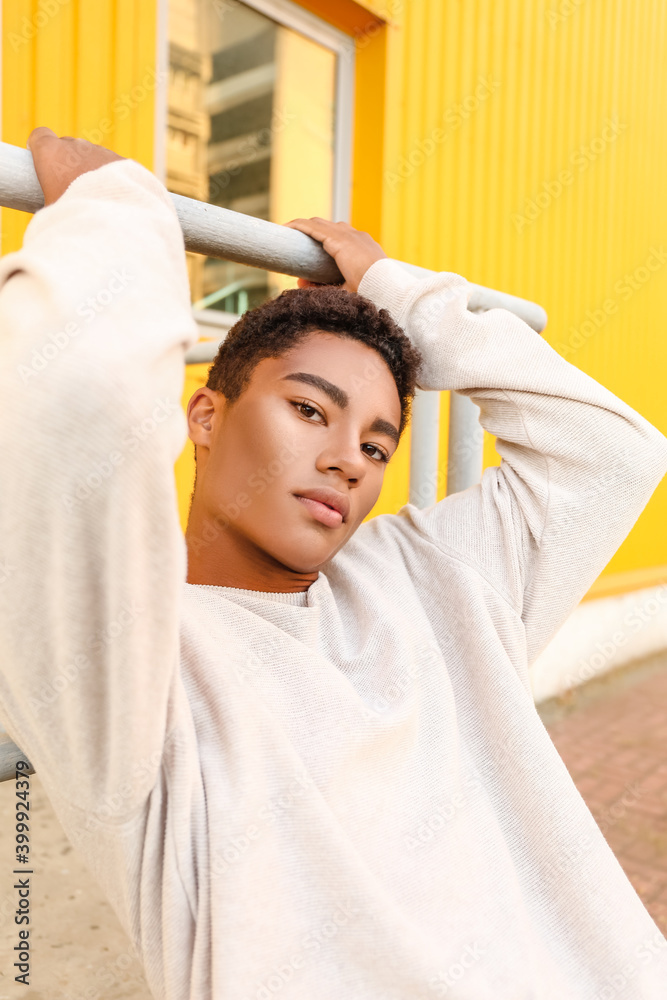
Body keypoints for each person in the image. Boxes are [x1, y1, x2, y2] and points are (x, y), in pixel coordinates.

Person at [0, 125, 666, 1000]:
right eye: (310, 411)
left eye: (378, 444)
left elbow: (613, 454)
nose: (350, 459)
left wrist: (402, 295)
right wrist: (116, 209)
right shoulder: (132, 658)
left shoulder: (429, 581)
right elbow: (69, 403)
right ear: (203, 416)